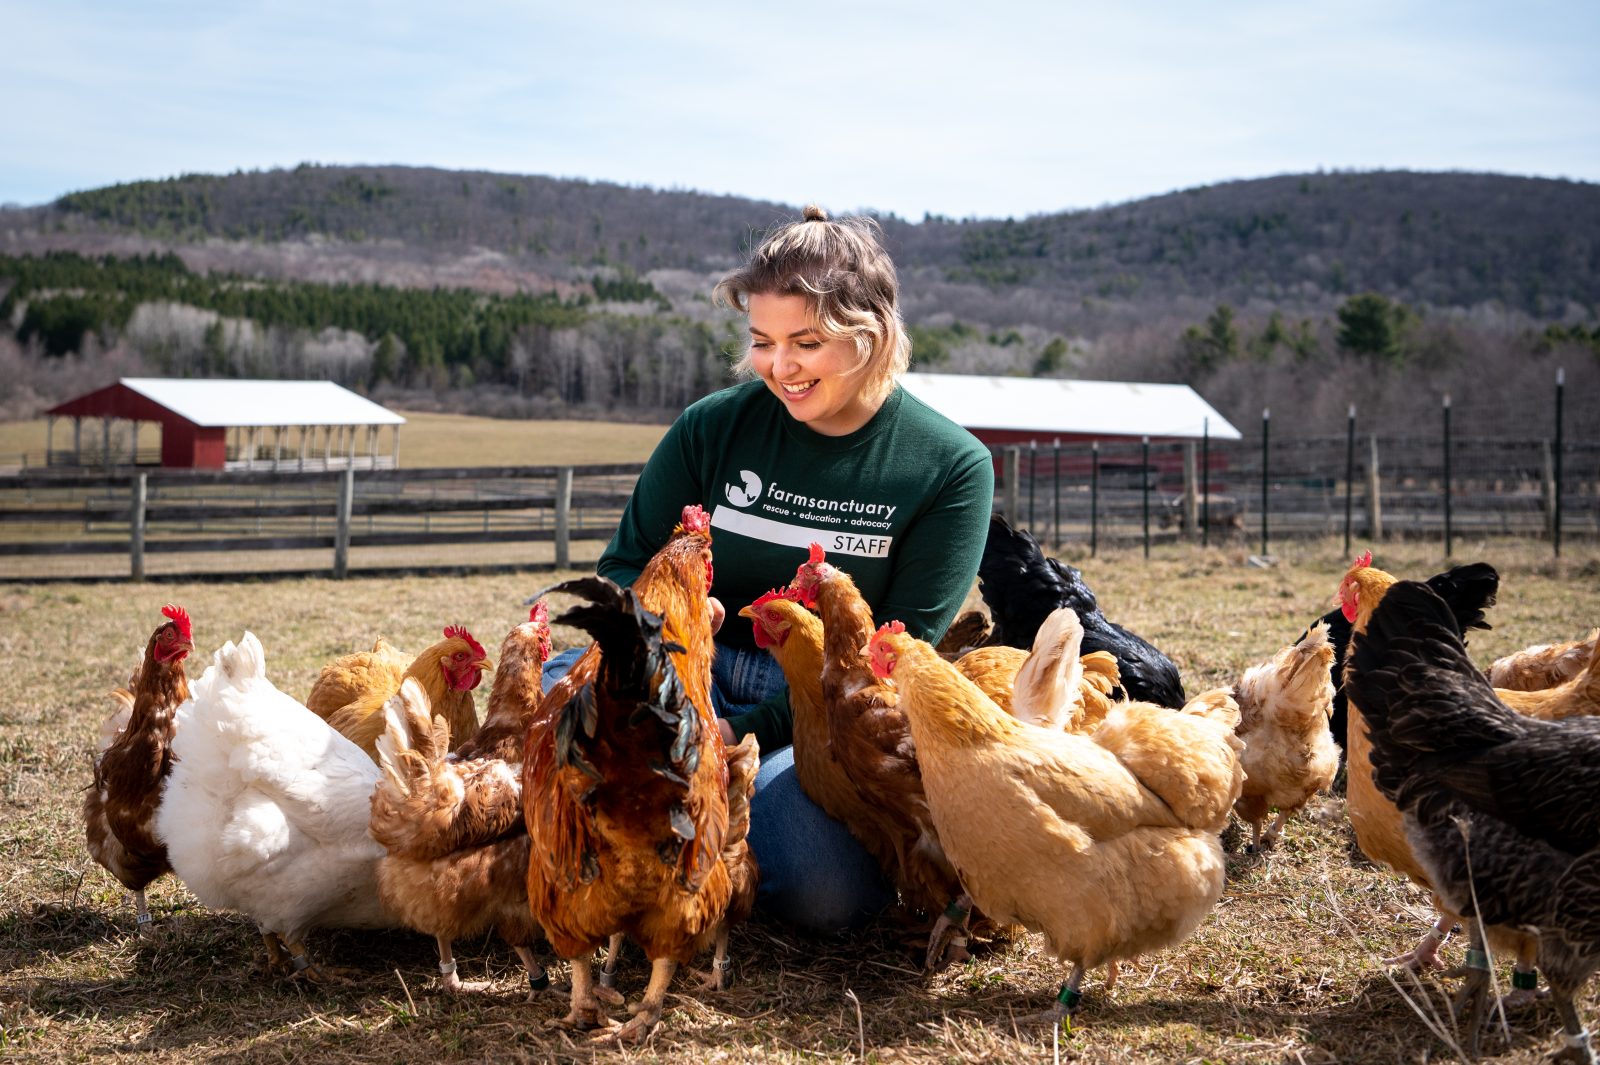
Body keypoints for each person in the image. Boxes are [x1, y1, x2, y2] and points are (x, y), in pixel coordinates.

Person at [542, 204, 994, 934]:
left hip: (817, 719)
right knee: (548, 699)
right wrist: (665, 638)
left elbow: (887, 662)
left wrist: (734, 734)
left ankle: (696, 841)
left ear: (870, 333)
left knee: (824, 890)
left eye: (806, 343)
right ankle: (646, 842)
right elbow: (625, 563)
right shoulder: (713, 428)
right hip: (685, 672)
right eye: (761, 341)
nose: (779, 367)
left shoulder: (948, 467)